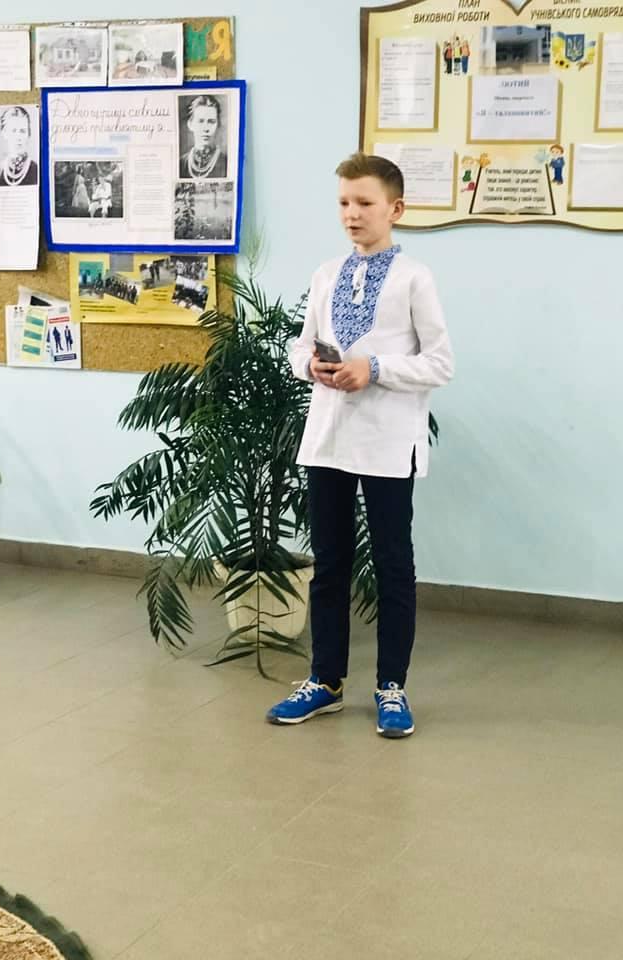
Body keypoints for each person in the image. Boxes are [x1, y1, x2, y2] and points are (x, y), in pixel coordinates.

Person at [266, 152, 454, 739]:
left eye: (365, 203)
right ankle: (324, 680)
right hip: (328, 440)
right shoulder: (326, 274)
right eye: (344, 203)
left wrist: (374, 367)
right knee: (329, 564)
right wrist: (313, 367)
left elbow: (440, 363)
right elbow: (301, 347)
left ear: (395, 209)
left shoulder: (414, 278)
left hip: (389, 443)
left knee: (393, 565)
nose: (352, 213)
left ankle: (391, 686)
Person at [179, 95, 228, 180]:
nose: (206, 129)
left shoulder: (226, 163)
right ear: (190, 124)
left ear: (218, 125)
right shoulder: (181, 163)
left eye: (211, 122)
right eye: (200, 121)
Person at [0, 106, 38, 187]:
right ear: (5, 133)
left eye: (22, 131)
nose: (18, 137)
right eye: (13, 131)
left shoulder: (36, 169)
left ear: (28, 134)